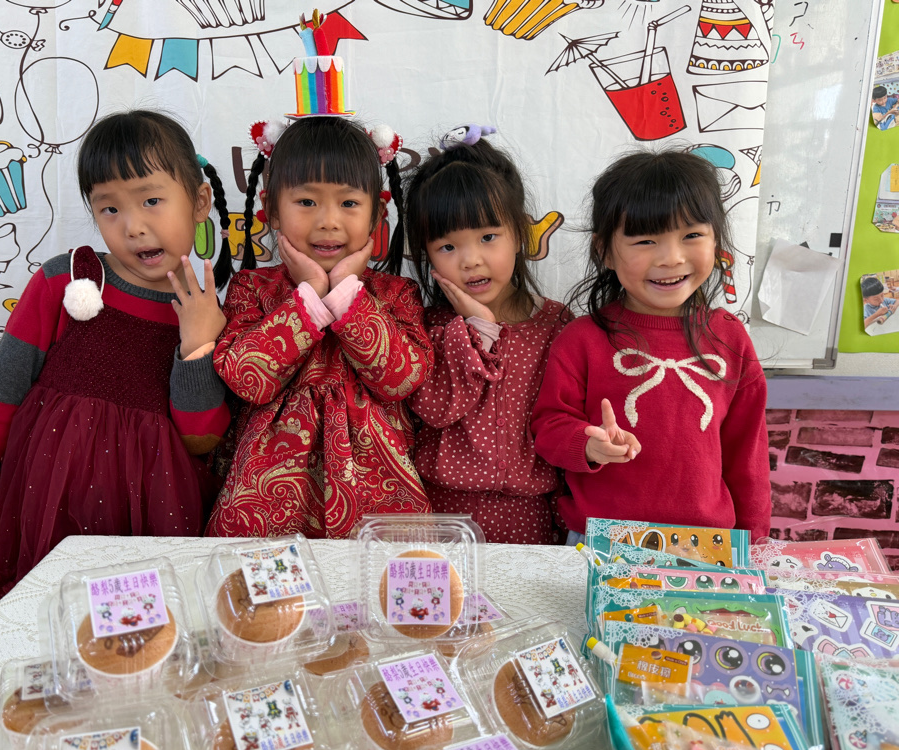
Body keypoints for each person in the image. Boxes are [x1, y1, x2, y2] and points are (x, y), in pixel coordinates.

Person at [0, 110, 232, 610]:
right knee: (45, 621)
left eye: (152, 200)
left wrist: (196, 344)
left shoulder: (210, 309)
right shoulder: (67, 280)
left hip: (147, 515)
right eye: (109, 209)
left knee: (139, 631)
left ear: (199, 202)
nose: (133, 226)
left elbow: (199, 437)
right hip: (44, 507)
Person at [201, 116, 431, 538]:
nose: (328, 221)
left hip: (376, 498)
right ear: (271, 209)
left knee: (379, 578)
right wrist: (309, 295)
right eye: (307, 202)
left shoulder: (397, 294)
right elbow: (248, 379)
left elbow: (400, 378)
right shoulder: (252, 288)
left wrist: (345, 293)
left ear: (377, 214)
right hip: (265, 500)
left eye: (349, 203)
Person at [531, 150, 771, 543]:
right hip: (602, 540)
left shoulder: (731, 338)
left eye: (692, 236)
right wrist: (589, 444)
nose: (671, 258)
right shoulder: (581, 339)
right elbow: (549, 427)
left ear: (716, 239)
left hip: (707, 545)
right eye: (645, 240)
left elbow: (748, 456)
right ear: (604, 251)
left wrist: (754, 544)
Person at [404, 128, 572, 544]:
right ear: (426, 252)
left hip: (530, 518)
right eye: (447, 246)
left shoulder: (556, 325)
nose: (471, 260)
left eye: (488, 237)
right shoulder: (429, 326)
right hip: (440, 515)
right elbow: (436, 409)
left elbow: (565, 426)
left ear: (519, 233)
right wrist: (477, 327)